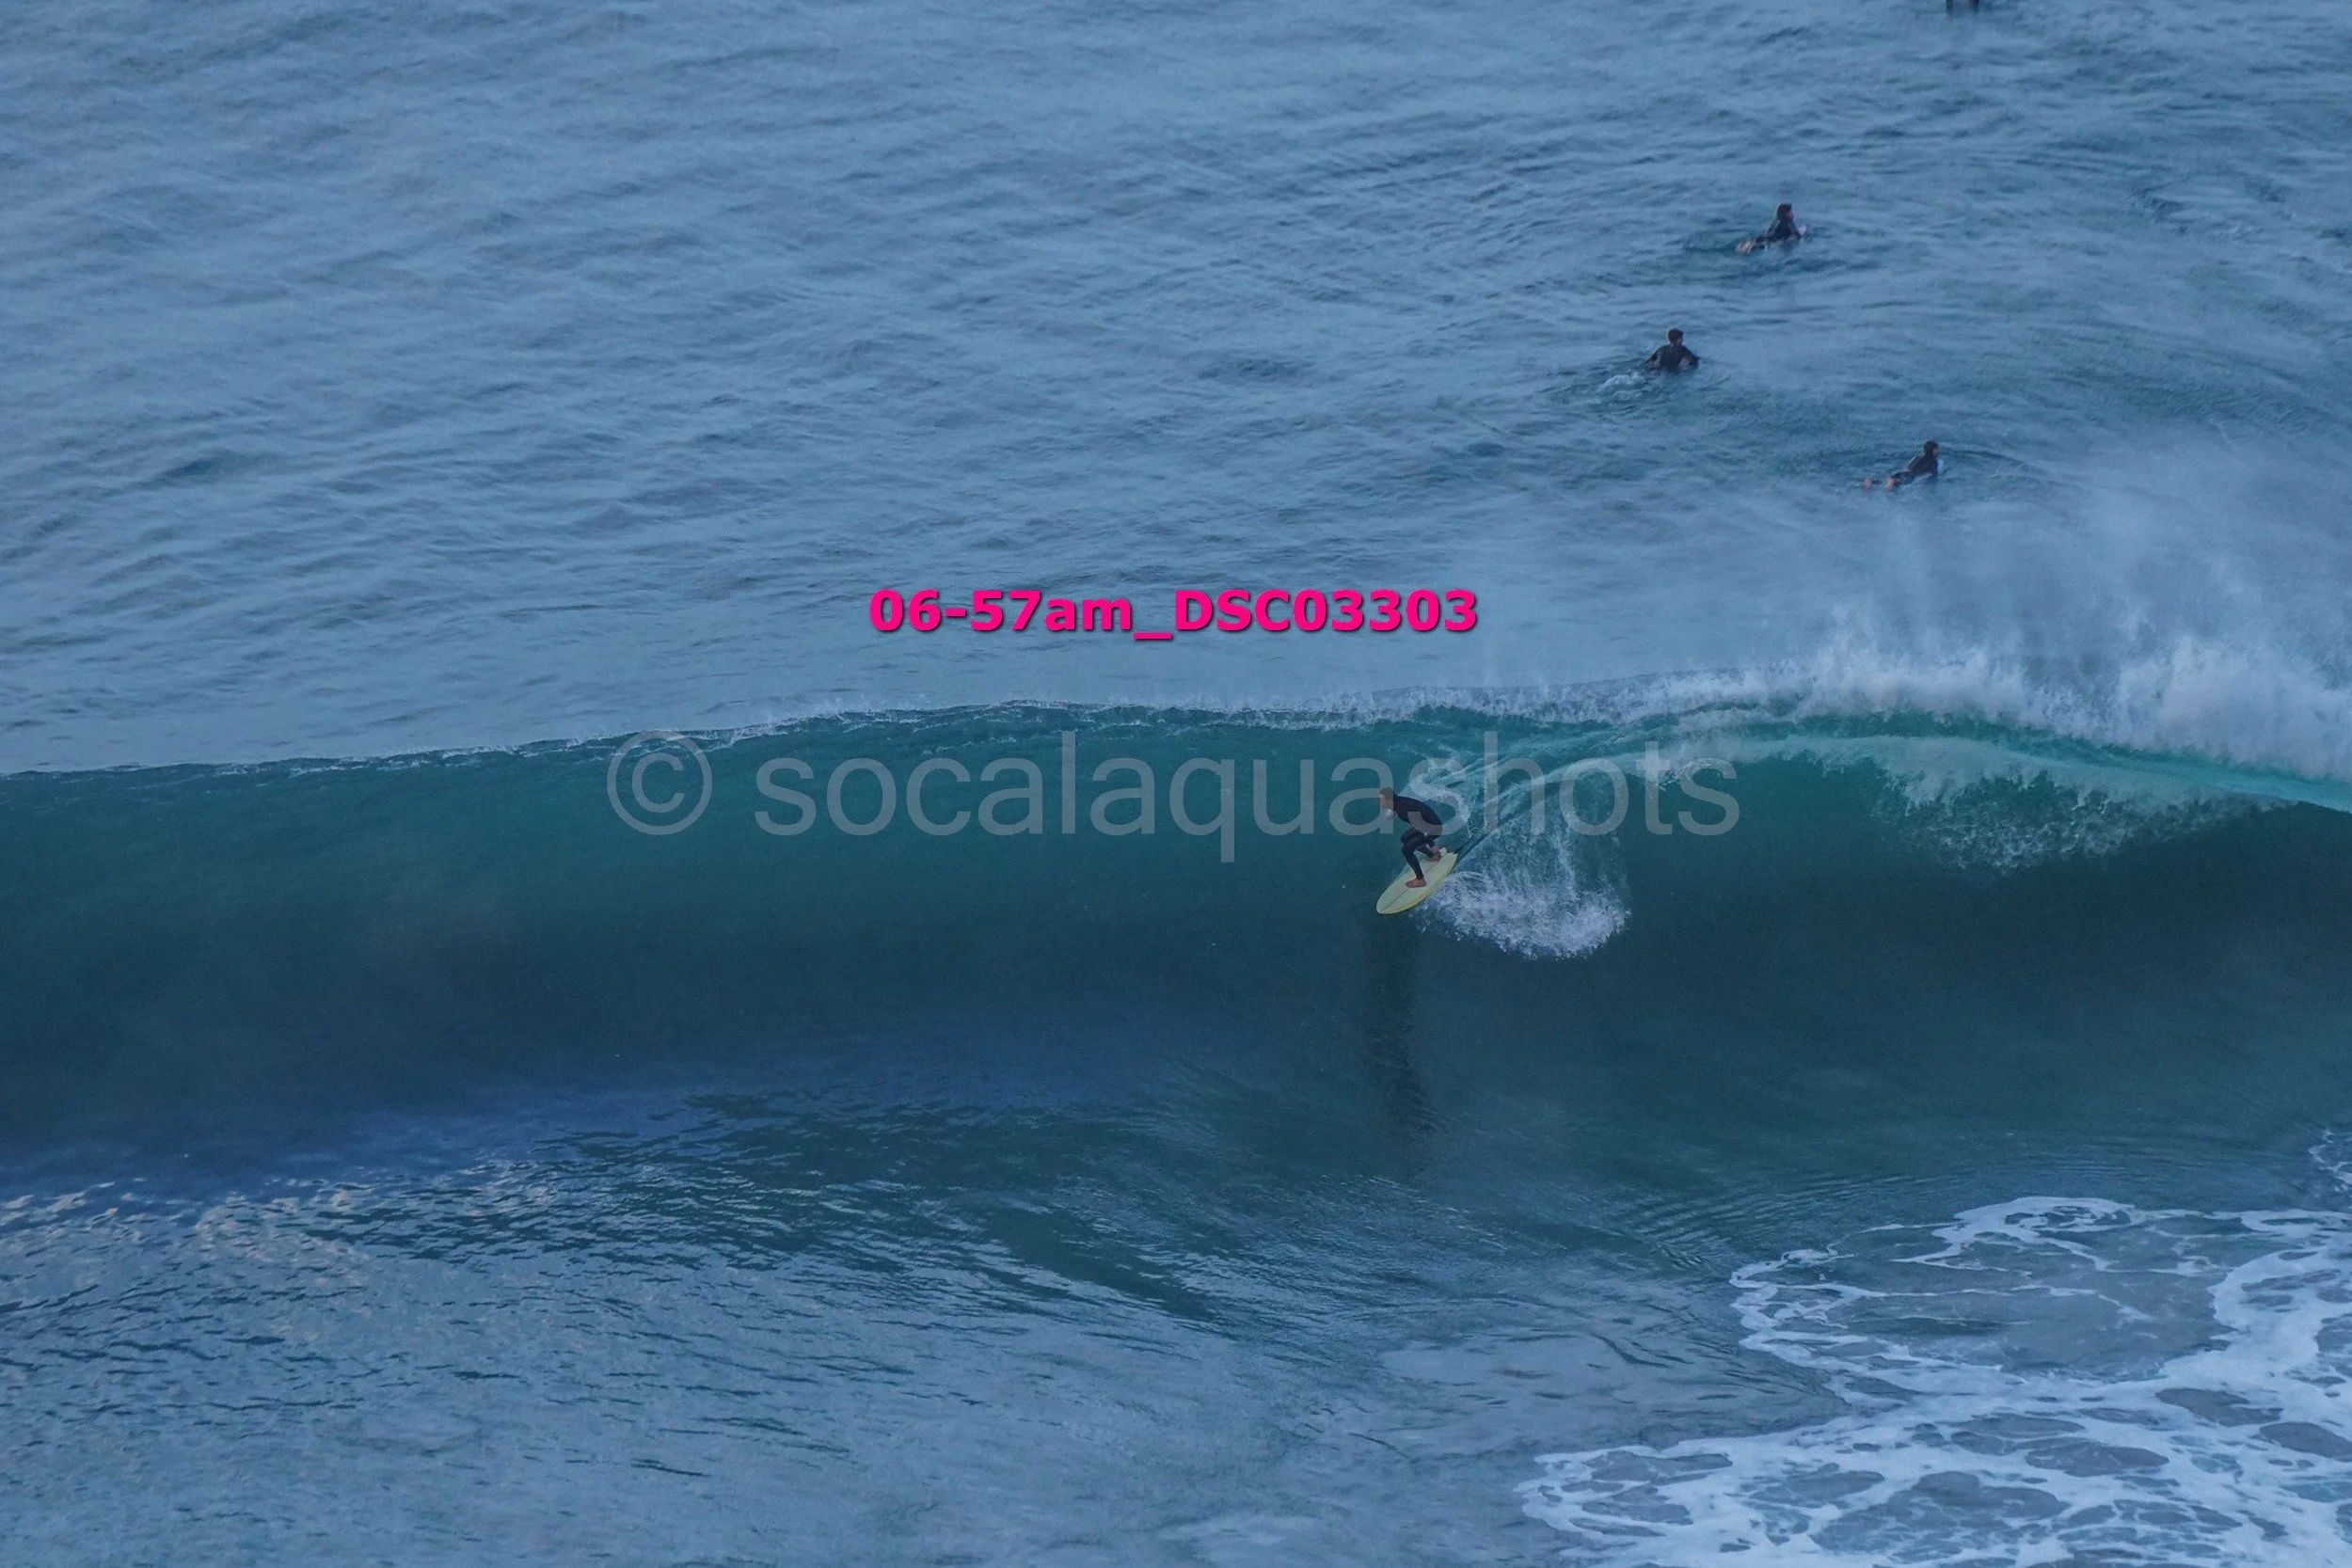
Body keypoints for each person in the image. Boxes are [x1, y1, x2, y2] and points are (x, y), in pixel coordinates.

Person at [1379, 786, 1448, 886]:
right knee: (1404, 839)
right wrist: (1393, 812)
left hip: (1433, 828)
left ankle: (1420, 880)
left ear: (1389, 800)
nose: (1380, 803)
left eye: (1381, 800)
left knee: (1406, 850)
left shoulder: (1403, 811)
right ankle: (1432, 856)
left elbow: (1422, 827)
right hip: (1429, 822)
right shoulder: (1398, 801)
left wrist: (1432, 845)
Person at [1866, 440, 1942, 489]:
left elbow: (1908, 467)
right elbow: (1934, 473)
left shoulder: (1917, 457)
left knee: (1884, 483)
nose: (1939, 451)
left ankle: (1871, 481)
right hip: (1911, 476)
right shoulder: (1933, 461)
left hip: (1903, 473)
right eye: (1937, 449)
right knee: (1899, 484)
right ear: (1933, 450)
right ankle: (1892, 480)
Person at [1737, 203, 1804, 254]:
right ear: (1787, 214)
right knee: (1759, 247)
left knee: (1755, 244)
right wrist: (1803, 238)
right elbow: (1797, 235)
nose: (1792, 213)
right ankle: (1750, 248)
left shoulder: (1775, 221)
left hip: (1764, 237)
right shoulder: (1788, 221)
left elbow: (1768, 232)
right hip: (1774, 240)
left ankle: (1744, 248)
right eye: (1790, 212)